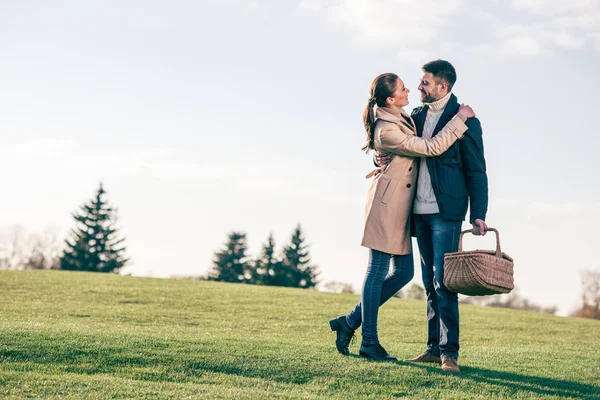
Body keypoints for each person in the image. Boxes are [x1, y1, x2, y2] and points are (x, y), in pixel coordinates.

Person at [329, 72, 476, 361]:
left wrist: (378, 154)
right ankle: (369, 341)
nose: (410, 89)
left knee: (405, 273)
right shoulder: (387, 128)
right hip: (386, 206)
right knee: (377, 270)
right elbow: (430, 147)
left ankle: (349, 322)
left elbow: (396, 147)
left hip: (401, 209)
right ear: (390, 99)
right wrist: (461, 120)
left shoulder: (401, 116)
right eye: (403, 88)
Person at [376, 60, 488, 373]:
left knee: (444, 282)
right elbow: (398, 146)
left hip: (446, 213)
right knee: (428, 282)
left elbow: (476, 169)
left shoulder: (464, 120)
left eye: (425, 82)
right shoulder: (414, 116)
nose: (420, 87)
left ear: (443, 85)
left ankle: (449, 354)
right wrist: (379, 154)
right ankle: (431, 348)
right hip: (417, 213)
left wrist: (478, 213)